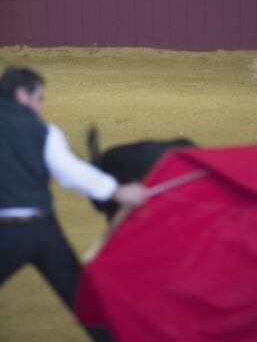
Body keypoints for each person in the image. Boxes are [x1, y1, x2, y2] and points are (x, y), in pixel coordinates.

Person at [0, 66, 147, 341]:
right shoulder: (44, 131)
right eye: (39, 98)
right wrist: (117, 191)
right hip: (43, 230)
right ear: (21, 94)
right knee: (84, 300)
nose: (40, 107)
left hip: (4, 233)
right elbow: (70, 171)